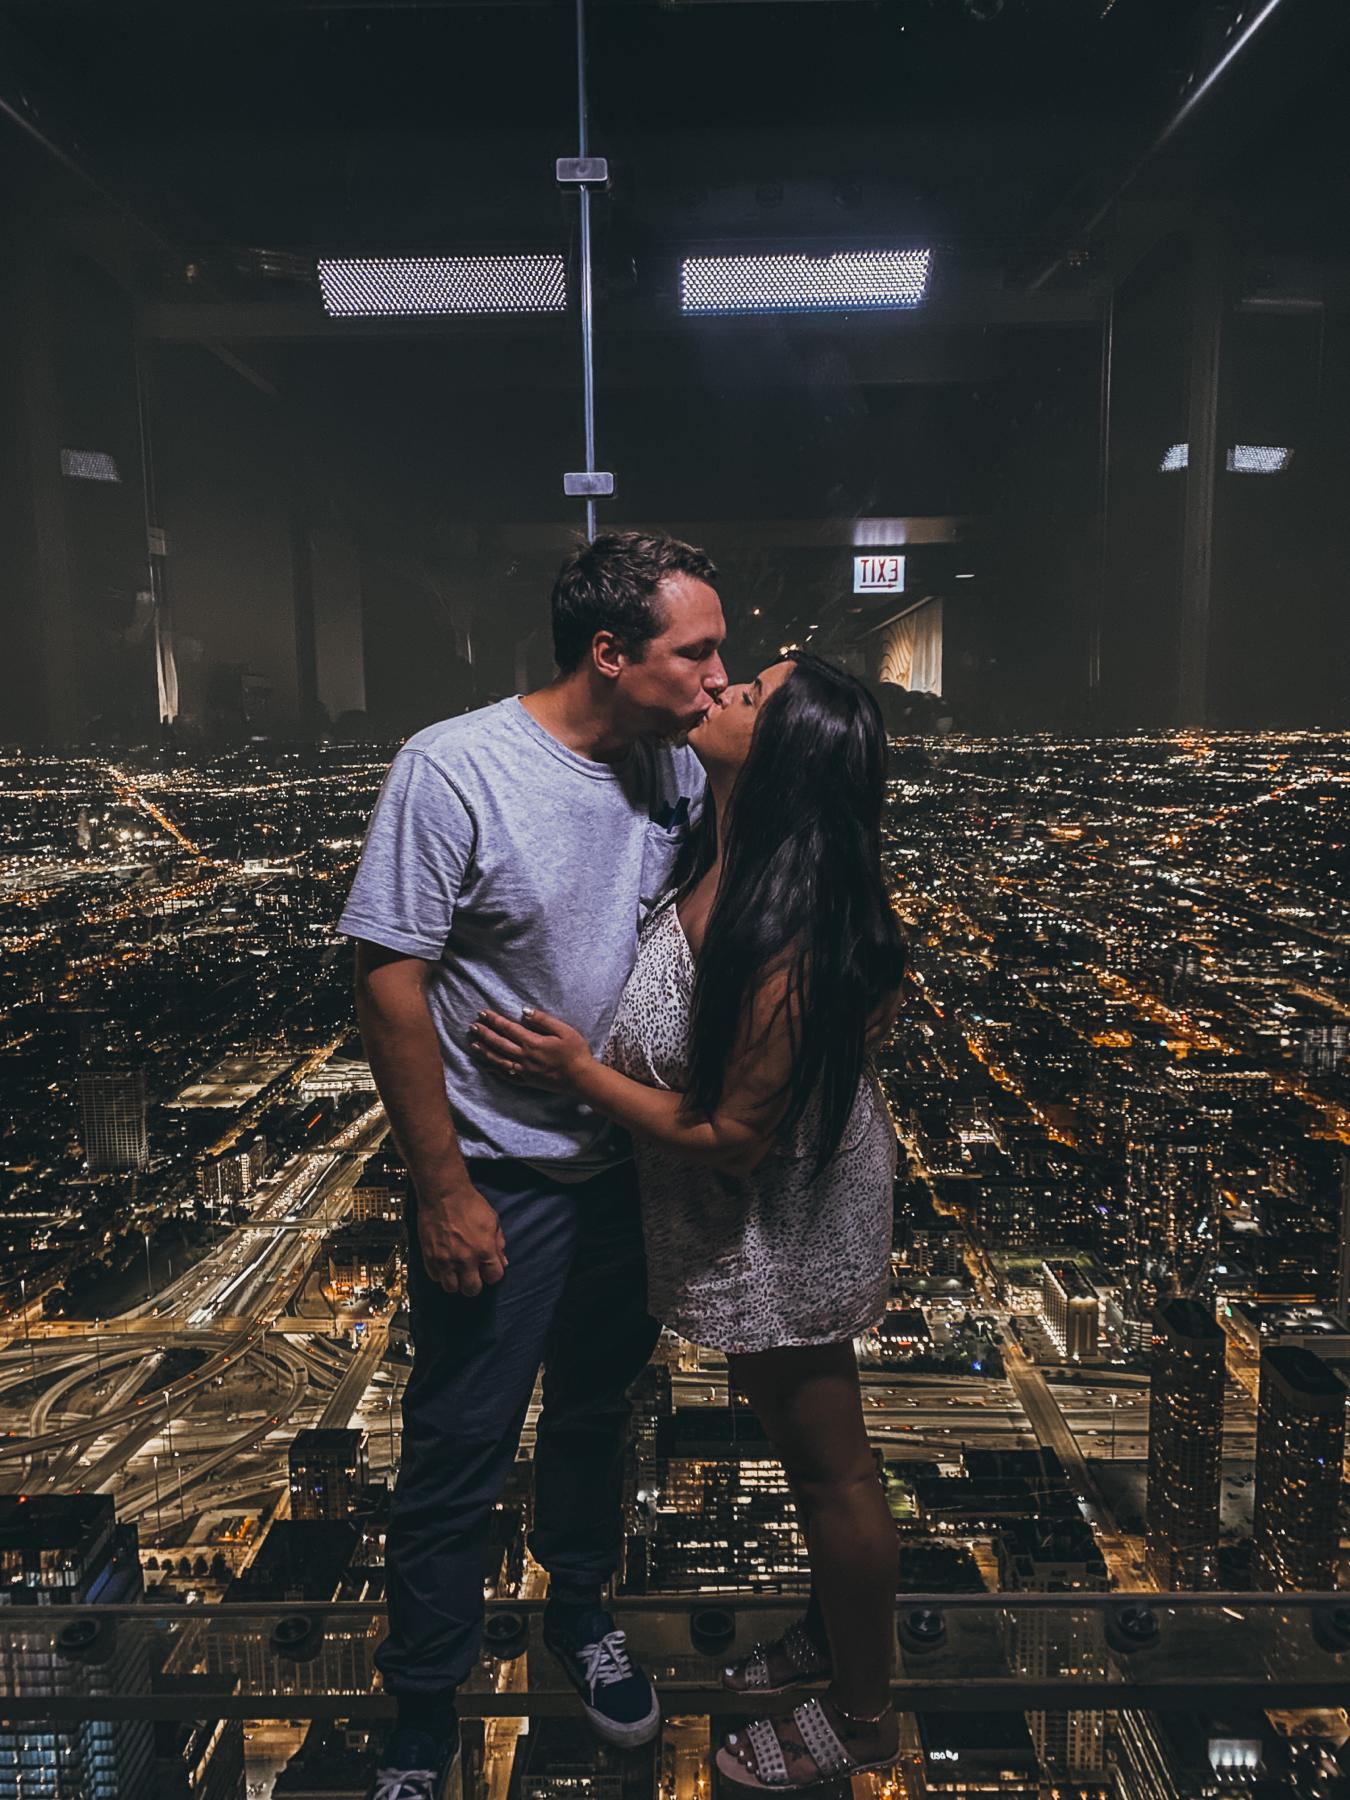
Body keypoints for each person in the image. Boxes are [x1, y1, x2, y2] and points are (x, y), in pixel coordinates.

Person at [471, 650, 907, 1791]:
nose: (716, 692)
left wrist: (577, 1073)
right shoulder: (731, 847)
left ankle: (865, 1716)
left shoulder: (785, 921)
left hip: (783, 1209)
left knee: (831, 1469)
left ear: (785, 757)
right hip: (754, 1207)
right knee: (800, 1441)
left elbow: (732, 1135)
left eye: (748, 695)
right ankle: (829, 1632)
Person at [338, 532, 728, 1800]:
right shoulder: (455, 769)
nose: (719, 677)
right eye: (698, 651)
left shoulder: (674, 772)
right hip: (498, 1178)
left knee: (600, 1419)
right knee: (458, 1444)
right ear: (610, 654)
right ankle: (422, 1714)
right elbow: (388, 980)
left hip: (621, 1167)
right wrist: (443, 1187)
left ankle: (580, 1609)